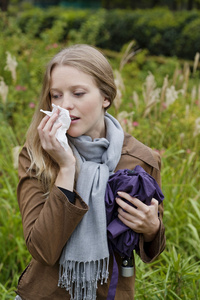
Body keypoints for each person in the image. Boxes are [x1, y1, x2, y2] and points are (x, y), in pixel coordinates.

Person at [15, 44, 165, 300]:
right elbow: (42, 250)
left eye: (78, 93)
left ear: (106, 96)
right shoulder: (37, 155)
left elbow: (150, 250)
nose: (65, 106)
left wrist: (152, 228)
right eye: (56, 96)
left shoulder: (140, 159)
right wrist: (66, 167)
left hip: (111, 293)